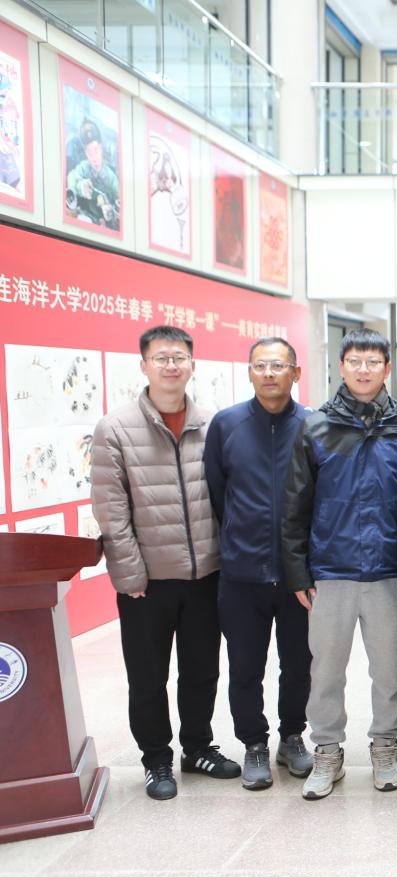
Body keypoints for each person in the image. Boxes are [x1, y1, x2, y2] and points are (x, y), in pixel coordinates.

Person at [91, 326, 240, 800]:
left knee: (202, 670)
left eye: (179, 357)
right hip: (148, 582)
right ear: (144, 366)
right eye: (161, 357)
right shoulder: (115, 428)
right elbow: (111, 509)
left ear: (193, 364)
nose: (171, 365)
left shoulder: (213, 424)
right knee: (148, 677)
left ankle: (197, 748)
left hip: (206, 576)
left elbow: (229, 497)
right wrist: (129, 574)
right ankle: (156, 759)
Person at [281, 329, 397, 800]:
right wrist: (299, 571)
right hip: (331, 571)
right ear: (341, 367)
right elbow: (295, 504)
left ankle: (385, 746)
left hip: (388, 572)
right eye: (355, 361)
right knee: (326, 671)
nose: (364, 370)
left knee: (388, 670)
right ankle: (327, 751)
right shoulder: (316, 426)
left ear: (387, 368)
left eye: (373, 362)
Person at [204, 337, 314, 791]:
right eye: (260, 365)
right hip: (242, 573)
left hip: (298, 574)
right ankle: (253, 743)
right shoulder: (226, 424)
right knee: (245, 665)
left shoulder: (312, 425)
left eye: (279, 365)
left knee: (299, 663)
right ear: (249, 372)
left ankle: (292, 736)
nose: (269, 373)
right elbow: (217, 491)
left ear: (296, 373)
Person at [65, 119, 119, 229]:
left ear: (101, 148)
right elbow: (71, 177)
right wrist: (79, 186)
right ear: (86, 153)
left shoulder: (111, 177)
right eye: (90, 153)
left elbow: (122, 202)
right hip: (87, 222)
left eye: (96, 150)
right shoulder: (84, 167)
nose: (94, 158)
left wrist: (112, 210)